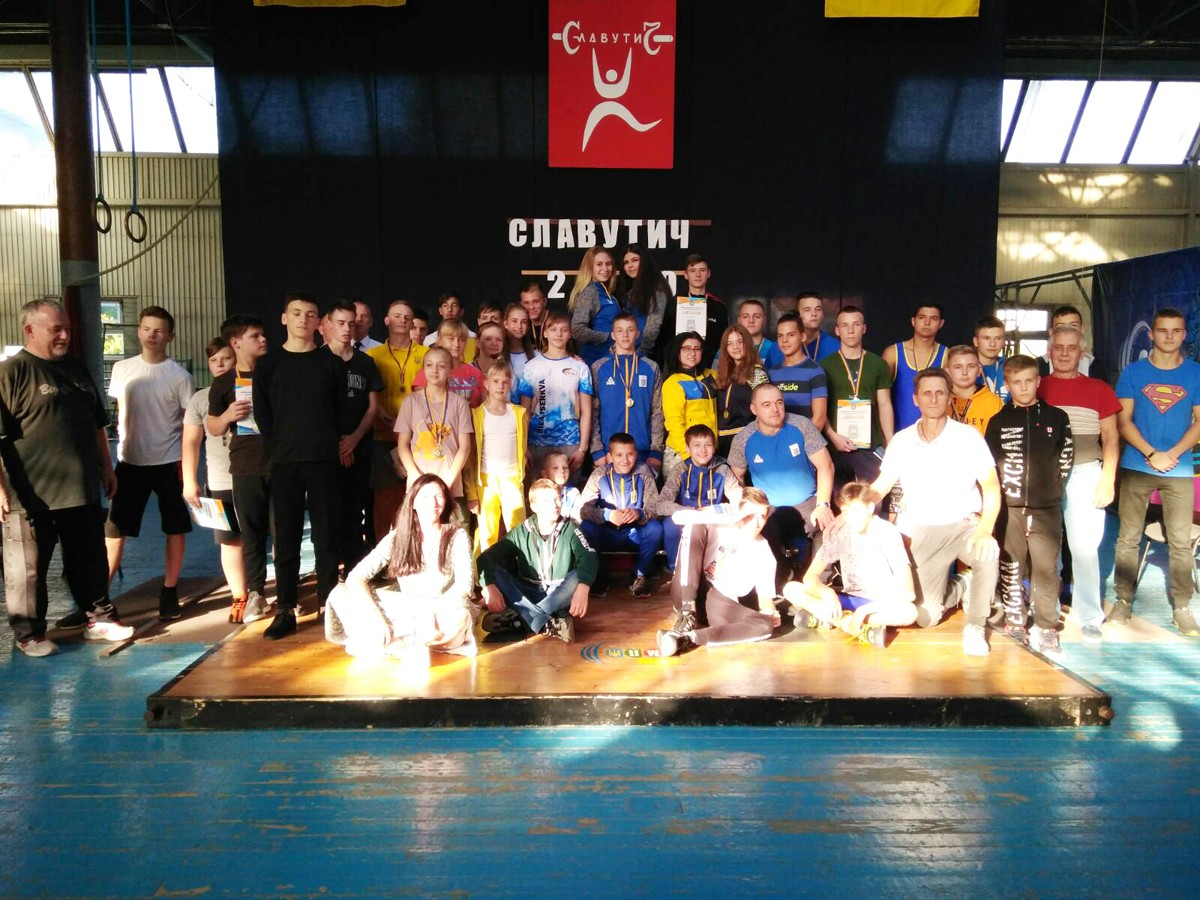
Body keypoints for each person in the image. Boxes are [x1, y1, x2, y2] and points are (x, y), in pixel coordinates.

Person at [0, 299, 133, 655]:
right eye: (56, 330)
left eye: (67, 330)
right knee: (27, 570)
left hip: (81, 491)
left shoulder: (76, 370)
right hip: (30, 497)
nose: (64, 336)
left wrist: (106, 468)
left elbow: (97, 425)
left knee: (89, 560)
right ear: (30, 330)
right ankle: (30, 634)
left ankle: (99, 619)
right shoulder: (11, 373)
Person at [858, 367, 1001, 656]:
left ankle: (975, 625)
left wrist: (985, 530)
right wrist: (856, 506)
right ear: (916, 399)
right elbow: (882, 485)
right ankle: (964, 584)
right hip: (922, 531)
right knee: (925, 616)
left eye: (940, 393)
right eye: (927, 393)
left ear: (949, 397)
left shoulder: (969, 437)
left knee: (988, 552)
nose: (934, 399)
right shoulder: (902, 440)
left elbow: (991, 487)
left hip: (963, 526)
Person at [253, 292, 348, 640]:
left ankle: (328, 606)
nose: (303, 320)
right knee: (287, 537)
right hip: (285, 461)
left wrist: (329, 442)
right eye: (296, 313)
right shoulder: (268, 364)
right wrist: (280, 445)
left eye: (310, 315)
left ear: (319, 323)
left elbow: (340, 410)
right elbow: (263, 414)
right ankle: (285, 608)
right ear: (284, 318)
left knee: (326, 536)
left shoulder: (330, 364)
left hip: (323, 460)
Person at [1112, 307, 1200, 635]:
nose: (1169, 336)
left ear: (1184, 334)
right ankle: (1123, 601)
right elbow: (1123, 421)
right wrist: (1151, 453)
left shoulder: (1195, 373)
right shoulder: (1133, 373)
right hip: (1138, 465)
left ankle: (1182, 607)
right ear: (1151, 334)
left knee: (1180, 541)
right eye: (1162, 330)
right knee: (1128, 537)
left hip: (1179, 468)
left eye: (1176, 330)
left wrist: (1172, 454)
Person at [104, 305, 195, 620]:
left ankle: (169, 591)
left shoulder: (180, 377)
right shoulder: (122, 369)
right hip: (129, 462)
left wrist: (188, 469)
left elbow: (189, 423)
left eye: (158, 330)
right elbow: (121, 411)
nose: (151, 335)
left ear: (171, 336)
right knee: (115, 530)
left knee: (175, 527)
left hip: (169, 462)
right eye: (146, 329)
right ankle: (100, 597)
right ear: (138, 331)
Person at [324, 474, 476, 659]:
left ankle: (409, 641)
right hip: (407, 607)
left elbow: (464, 586)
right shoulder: (398, 536)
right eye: (425, 496)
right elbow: (356, 577)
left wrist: (434, 611)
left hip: (444, 607)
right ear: (413, 503)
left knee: (461, 616)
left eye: (439, 496)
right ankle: (406, 638)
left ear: (446, 501)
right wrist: (375, 616)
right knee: (340, 594)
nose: (433, 503)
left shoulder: (457, 535)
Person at [985, 356, 1074, 656]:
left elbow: (1066, 458)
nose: (1023, 388)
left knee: (1047, 568)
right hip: (1009, 510)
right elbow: (990, 465)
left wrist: (1052, 491)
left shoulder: (1057, 417)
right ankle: (1015, 621)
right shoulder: (998, 422)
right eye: (1016, 382)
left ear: (1038, 381)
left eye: (1028, 381)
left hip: (1046, 509)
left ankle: (1047, 626)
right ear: (1007, 385)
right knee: (1011, 565)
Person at [1038, 322, 1121, 644]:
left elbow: (1111, 438)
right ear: (1049, 352)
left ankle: (1089, 617)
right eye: (1058, 348)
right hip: (1045, 476)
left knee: (1084, 549)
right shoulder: (1038, 387)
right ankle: (1045, 613)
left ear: (1081, 352)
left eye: (1071, 348)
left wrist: (1107, 479)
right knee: (1045, 550)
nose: (1064, 354)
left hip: (1086, 473)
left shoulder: (1099, 389)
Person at [783, 481, 916, 649]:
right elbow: (810, 576)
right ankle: (853, 626)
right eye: (846, 512)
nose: (852, 518)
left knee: (910, 612)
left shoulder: (887, 532)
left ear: (870, 508)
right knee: (791, 589)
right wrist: (827, 593)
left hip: (878, 604)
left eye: (856, 510)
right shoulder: (841, 533)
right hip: (848, 599)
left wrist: (863, 611)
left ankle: (832, 619)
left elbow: (908, 593)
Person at [655, 488, 780, 658]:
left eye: (762, 517)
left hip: (717, 604)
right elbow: (679, 517)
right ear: (739, 512)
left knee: (765, 625)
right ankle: (687, 612)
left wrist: (771, 613)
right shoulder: (719, 524)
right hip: (688, 590)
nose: (757, 523)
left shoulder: (764, 552)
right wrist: (733, 518)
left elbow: (766, 603)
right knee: (695, 525)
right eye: (751, 515)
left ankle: (687, 638)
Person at [728, 383, 835, 581]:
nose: (775, 409)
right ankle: (778, 582)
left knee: (828, 525)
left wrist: (823, 505)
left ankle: (820, 582)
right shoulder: (743, 439)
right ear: (754, 409)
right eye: (767, 405)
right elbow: (734, 479)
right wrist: (748, 510)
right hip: (769, 510)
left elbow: (826, 466)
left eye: (779, 403)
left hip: (808, 503)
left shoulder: (802, 426)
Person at [207, 314, 274, 624]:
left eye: (263, 334)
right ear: (236, 342)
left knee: (284, 531)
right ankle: (256, 593)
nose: (263, 339)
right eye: (255, 336)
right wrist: (228, 416)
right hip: (246, 467)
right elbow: (213, 426)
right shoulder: (223, 383)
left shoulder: (275, 372)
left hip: (281, 464)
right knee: (252, 534)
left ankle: (287, 593)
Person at [477, 478, 599, 642]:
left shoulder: (571, 529)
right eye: (547, 501)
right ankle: (549, 622)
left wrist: (583, 588)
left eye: (557, 499)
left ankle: (521, 619)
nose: (555, 505)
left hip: (558, 593)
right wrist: (489, 586)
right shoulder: (521, 532)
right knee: (496, 572)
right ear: (534, 507)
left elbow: (589, 556)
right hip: (528, 592)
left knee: (578, 576)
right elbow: (486, 557)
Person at [182, 337, 247, 623]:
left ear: (237, 358)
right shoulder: (200, 399)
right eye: (214, 360)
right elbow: (190, 442)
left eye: (226, 358)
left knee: (269, 536)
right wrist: (189, 480)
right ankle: (239, 596)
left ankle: (279, 593)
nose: (220, 365)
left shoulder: (251, 389)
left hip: (255, 477)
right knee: (230, 541)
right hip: (221, 481)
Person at [325, 301, 384, 574]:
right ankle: (329, 571)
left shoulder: (365, 362)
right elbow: (316, 409)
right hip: (328, 450)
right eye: (341, 323)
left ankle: (354, 568)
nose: (347, 328)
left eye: (352, 323)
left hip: (360, 447)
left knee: (357, 508)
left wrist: (354, 440)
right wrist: (340, 444)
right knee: (330, 511)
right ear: (328, 324)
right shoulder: (318, 360)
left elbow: (372, 408)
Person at [366, 300, 428, 539]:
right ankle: (384, 554)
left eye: (407, 317)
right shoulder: (373, 355)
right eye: (397, 316)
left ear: (413, 324)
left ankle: (415, 553)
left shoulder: (425, 354)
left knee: (418, 500)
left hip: (418, 439)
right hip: (383, 435)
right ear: (386, 321)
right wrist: (380, 413)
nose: (403, 320)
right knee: (385, 500)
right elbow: (368, 395)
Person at [579, 432, 663, 598]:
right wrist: (607, 515)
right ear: (609, 457)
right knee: (585, 528)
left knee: (655, 528)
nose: (625, 460)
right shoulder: (600, 474)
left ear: (636, 454)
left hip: (634, 533)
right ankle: (600, 574)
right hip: (607, 532)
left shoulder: (644, 473)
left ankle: (639, 574)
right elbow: (583, 509)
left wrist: (639, 514)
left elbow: (656, 508)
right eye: (618, 455)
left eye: (629, 454)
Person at [820, 305, 894, 489]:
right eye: (845, 325)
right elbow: (820, 408)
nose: (851, 330)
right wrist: (832, 435)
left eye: (856, 324)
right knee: (839, 500)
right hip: (836, 445)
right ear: (837, 330)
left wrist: (891, 441)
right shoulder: (824, 366)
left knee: (871, 499)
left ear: (864, 328)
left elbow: (885, 404)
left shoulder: (878, 364)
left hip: (870, 446)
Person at [396, 347, 474, 508]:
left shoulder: (459, 403)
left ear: (450, 370)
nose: (435, 370)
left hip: (450, 483)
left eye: (441, 366)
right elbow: (402, 445)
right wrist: (415, 476)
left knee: (452, 523)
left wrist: (448, 481)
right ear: (423, 369)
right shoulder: (410, 402)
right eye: (429, 365)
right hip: (419, 484)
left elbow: (465, 447)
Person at [519, 311, 593, 476]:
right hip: (536, 441)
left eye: (564, 330)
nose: (558, 334)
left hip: (570, 441)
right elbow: (523, 411)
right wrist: (523, 447)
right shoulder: (531, 367)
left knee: (569, 490)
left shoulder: (581, 368)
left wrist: (582, 448)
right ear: (545, 333)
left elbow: (587, 411)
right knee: (539, 490)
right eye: (553, 329)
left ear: (570, 334)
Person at [590, 313, 664, 473]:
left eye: (630, 330)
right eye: (620, 330)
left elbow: (657, 411)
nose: (625, 335)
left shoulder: (651, 367)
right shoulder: (599, 367)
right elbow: (592, 412)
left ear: (637, 333)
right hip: (608, 454)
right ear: (612, 335)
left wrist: (656, 450)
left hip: (643, 453)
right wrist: (597, 450)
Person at [656, 424, 736, 574]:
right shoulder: (680, 469)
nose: (703, 450)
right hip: (687, 516)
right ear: (687, 448)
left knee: (732, 525)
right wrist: (690, 511)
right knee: (669, 524)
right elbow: (661, 504)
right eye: (697, 445)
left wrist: (715, 510)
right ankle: (675, 568)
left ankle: (714, 570)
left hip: (712, 518)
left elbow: (738, 498)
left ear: (714, 447)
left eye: (708, 445)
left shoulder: (723, 469)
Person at [469, 361, 528, 553]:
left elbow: (523, 445)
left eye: (504, 382)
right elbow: (472, 455)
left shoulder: (518, 413)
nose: (500, 386)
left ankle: (519, 567)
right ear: (486, 384)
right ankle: (485, 569)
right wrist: (471, 492)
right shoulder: (477, 414)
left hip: (512, 478)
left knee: (518, 527)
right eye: (495, 381)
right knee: (487, 531)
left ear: (510, 384)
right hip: (486, 479)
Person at [883, 303, 947, 431]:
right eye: (922, 317)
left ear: (941, 323)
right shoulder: (893, 353)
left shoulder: (947, 355)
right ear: (913, 321)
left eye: (934, 318)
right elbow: (881, 399)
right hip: (899, 433)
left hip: (935, 435)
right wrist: (889, 438)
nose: (927, 323)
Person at [661, 331, 718, 473]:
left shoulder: (711, 376)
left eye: (697, 349)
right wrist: (688, 454)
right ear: (677, 351)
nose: (692, 353)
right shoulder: (673, 383)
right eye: (686, 348)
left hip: (707, 452)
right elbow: (673, 423)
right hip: (682, 454)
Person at [660, 253, 728, 369]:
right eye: (692, 270)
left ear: (709, 273)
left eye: (702, 270)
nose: (698, 275)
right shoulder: (673, 304)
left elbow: (723, 343)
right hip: (677, 369)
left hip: (709, 368)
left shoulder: (719, 307)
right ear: (686, 275)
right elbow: (665, 341)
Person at [714, 324, 770, 459]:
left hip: (746, 440)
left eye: (740, 341)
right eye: (730, 343)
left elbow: (766, 408)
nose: (736, 347)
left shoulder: (756, 372)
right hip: (721, 442)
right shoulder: (722, 374)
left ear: (747, 344)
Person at [767, 312, 828, 428]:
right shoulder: (771, 374)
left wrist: (802, 440)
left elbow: (819, 418)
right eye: (780, 336)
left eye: (791, 335)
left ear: (802, 337)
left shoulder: (815, 371)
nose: (784, 340)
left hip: (806, 437)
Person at [413, 318, 484, 407]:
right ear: (440, 341)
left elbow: (485, 405)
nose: (457, 344)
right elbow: (419, 406)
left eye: (462, 340)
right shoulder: (428, 372)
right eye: (451, 339)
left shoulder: (476, 372)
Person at [616, 242, 668, 361]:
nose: (630, 266)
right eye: (626, 262)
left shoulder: (656, 289)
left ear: (644, 262)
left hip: (648, 356)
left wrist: (641, 354)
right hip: (629, 353)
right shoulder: (627, 289)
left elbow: (653, 325)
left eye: (635, 260)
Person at [569, 246, 620, 365]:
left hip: (611, 359)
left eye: (608, 264)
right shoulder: (590, 291)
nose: (605, 268)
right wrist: (608, 337)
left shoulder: (609, 293)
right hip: (596, 359)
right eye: (599, 264)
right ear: (590, 267)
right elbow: (577, 329)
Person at [946, 345, 1004, 437]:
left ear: (979, 370)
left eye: (971, 366)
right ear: (948, 371)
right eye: (958, 367)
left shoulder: (994, 402)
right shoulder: (940, 400)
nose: (964, 372)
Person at [1038, 305, 1095, 376]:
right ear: (1051, 332)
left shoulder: (1095, 366)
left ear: (1082, 330)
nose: (1067, 330)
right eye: (1060, 327)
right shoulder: (1038, 366)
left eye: (1073, 326)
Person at [423, 291, 477, 362]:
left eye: (454, 306)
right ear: (440, 310)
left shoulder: (473, 337)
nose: (449, 310)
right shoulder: (429, 340)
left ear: (461, 311)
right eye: (445, 305)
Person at [733, 299, 783, 368]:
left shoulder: (774, 349)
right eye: (745, 317)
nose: (751, 321)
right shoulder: (729, 348)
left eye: (757, 316)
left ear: (764, 320)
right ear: (739, 320)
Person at [795, 291, 840, 362]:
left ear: (822, 314)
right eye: (807, 310)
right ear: (798, 315)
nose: (814, 314)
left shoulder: (836, 347)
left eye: (818, 309)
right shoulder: (786, 345)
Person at [973, 315, 1008, 402]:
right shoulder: (966, 369)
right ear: (976, 341)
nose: (992, 344)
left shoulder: (1010, 367)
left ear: (1004, 342)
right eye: (986, 338)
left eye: (998, 338)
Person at [542, 450, 583, 521]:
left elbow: (578, 520)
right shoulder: (540, 494)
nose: (562, 471)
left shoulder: (573, 493)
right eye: (555, 468)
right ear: (544, 473)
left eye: (565, 467)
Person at [502, 303, 537, 387]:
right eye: (514, 321)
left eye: (524, 322)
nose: (519, 326)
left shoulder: (536, 356)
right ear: (506, 324)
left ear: (528, 326)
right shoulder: (498, 355)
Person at [519, 280, 550, 350]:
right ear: (521, 305)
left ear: (544, 302)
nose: (531, 307)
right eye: (526, 303)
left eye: (535, 302)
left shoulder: (557, 322)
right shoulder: (519, 326)